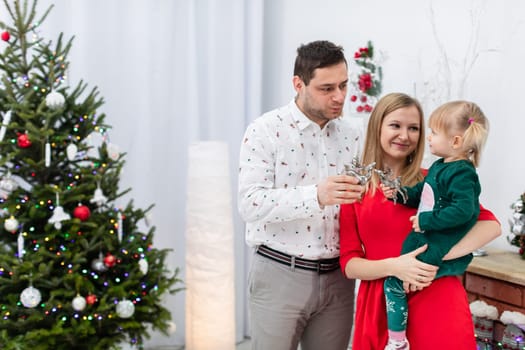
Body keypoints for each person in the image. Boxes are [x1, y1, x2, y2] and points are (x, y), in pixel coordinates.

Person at [339, 92, 501, 350]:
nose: (405, 135)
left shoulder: (434, 180)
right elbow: (349, 263)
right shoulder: (355, 190)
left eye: (413, 128)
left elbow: (491, 226)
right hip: (383, 305)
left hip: (438, 300)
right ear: (376, 126)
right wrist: (396, 266)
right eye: (395, 125)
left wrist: (434, 257)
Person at [238, 40, 364, 350]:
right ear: (298, 83)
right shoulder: (265, 130)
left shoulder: (352, 134)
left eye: (344, 85)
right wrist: (316, 196)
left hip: (339, 278)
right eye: (326, 88)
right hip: (279, 272)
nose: (339, 97)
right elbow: (250, 203)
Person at [380, 100, 490, 350]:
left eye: (434, 132)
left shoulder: (463, 173)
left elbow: (465, 210)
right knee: (402, 276)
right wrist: (399, 195)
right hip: (427, 237)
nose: (428, 137)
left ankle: (397, 342)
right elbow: (420, 192)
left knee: (394, 283)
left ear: (455, 141)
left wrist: (426, 220)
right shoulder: (440, 167)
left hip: (440, 240)